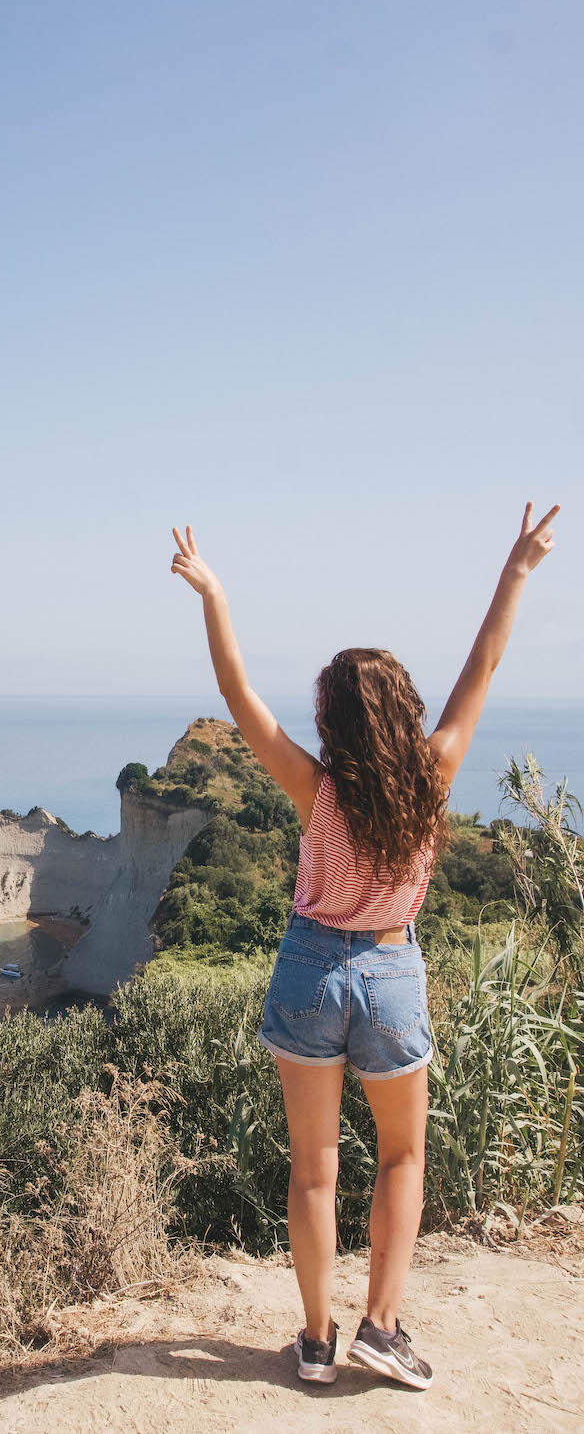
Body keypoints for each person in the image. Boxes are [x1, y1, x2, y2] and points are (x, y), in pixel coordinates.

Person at [170, 501, 560, 1389]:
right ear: (402, 714)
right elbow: (485, 662)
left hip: (310, 965)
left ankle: (315, 1341)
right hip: (391, 969)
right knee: (401, 1156)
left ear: (336, 721)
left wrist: (215, 595)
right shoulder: (437, 774)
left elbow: (237, 699)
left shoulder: (316, 788)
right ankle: (383, 1326)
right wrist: (517, 571)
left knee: (314, 1170)